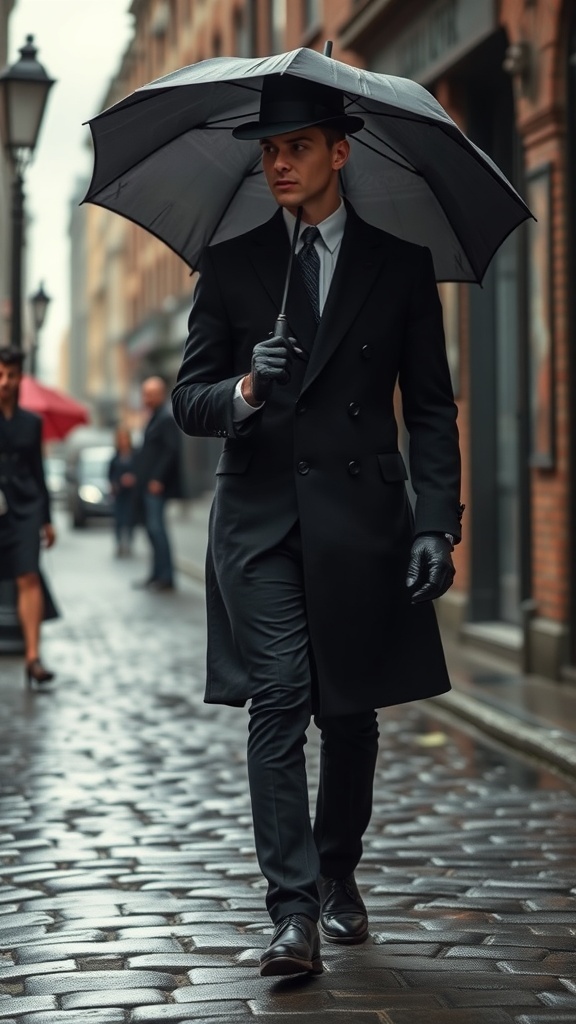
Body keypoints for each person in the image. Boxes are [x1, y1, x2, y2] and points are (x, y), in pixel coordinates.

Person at [172, 74, 463, 977]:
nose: (279, 164)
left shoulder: (400, 266)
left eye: (296, 147)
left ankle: (338, 874)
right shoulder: (231, 265)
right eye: (268, 151)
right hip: (258, 521)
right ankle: (291, 911)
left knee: (351, 710)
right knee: (281, 696)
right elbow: (189, 401)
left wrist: (435, 524)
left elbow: (431, 409)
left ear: (340, 151)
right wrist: (247, 387)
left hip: (362, 519)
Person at [0, 347, 56, 687]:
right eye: (0, 374)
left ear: (20, 377)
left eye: (11, 375)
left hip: (25, 509)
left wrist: (47, 519)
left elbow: (38, 471)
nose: (5, 382)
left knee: (29, 577)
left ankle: (33, 657)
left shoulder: (31, 423)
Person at [133, 376, 181, 591]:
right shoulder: (154, 418)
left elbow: (171, 450)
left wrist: (158, 479)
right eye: (145, 394)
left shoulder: (165, 418)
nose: (146, 398)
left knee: (157, 530)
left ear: (161, 394)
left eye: (150, 394)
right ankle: (156, 575)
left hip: (156, 487)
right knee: (152, 531)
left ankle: (166, 577)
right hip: (147, 486)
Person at [108, 425, 137, 557]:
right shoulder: (115, 457)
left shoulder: (135, 455)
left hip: (132, 493)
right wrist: (116, 482)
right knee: (119, 519)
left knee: (131, 518)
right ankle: (119, 543)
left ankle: (129, 543)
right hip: (119, 493)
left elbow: (140, 470)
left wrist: (133, 479)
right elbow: (110, 474)